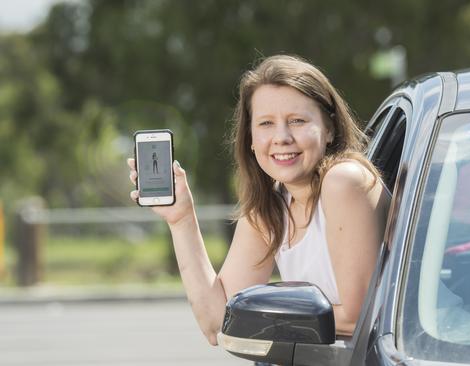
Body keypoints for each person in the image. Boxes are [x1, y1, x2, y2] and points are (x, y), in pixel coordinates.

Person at [127, 54, 390, 345]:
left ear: (328, 128)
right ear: (250, 139)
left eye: (298, 120)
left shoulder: (344, 181)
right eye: (266, 123)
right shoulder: (271, 208)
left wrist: (263, 316)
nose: (282, 137)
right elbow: (218, 323)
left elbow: (360, 318)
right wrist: (182, 220)